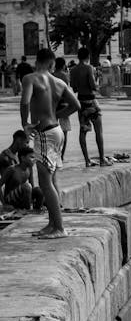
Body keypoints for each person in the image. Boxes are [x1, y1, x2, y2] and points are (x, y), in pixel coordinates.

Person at [20, 46, 81, 238]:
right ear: (52, 62)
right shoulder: (59, 82)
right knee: (51, 179)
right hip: (56, 130)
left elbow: (24, 101)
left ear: (37, 61)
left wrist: (25, 124)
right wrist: (57, 115)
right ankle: (52, 224)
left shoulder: (30, 78)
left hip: (45, 133)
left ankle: (60, 228)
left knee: (45, 181)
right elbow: (76, 105)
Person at [69, 46, 112, 167]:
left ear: (78, 57)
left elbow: (74, 87)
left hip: (81, 102)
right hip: (91, 101)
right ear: (88, 57)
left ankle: (87, 160)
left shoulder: (73, 70)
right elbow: (93, 85)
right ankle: (102, 159)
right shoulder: (89, 68)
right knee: (99, 131)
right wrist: (98, 83)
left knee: (83, 131)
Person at [1, 145, 43, 211]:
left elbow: (32, 187)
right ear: (23, 158)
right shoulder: (12, 169)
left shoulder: (29, 168)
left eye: (34, 157)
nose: (34, 160)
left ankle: (37, 210)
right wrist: (4, 204)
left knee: (39, 190)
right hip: (10, 200)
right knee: (26, 186)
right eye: (31, 157)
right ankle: (27, 210)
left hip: (22, 198)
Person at [53, 57, 71, 159]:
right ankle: (61, 156)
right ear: (63, 65)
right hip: (64, 105)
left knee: (54, 132)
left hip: (54, 106)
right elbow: (66, 90)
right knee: (64, 133)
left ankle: (55, 153)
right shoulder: (64, 76)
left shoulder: (51, 75)